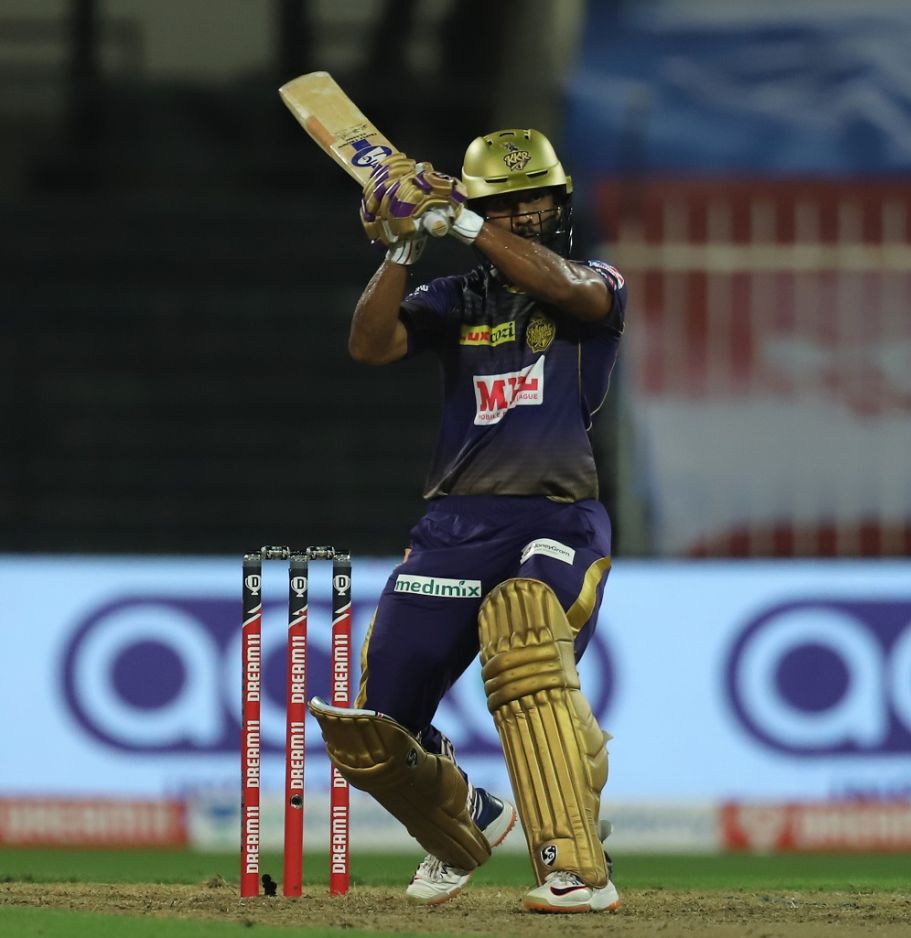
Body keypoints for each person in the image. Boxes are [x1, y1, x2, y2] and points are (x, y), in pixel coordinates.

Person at [307, 128, 624, 913]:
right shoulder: (457, 300)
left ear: (562, 203)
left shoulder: (596, 283)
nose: (523, 215)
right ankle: (466, 824)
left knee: (524, 637)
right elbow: (369, 345)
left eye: (536, 201)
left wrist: (467, 221)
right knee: (374, 731)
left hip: (557, 519)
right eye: (504, 206)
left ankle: (575, 869)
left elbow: (570, 290)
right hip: (454, 529)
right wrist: (406, 247)